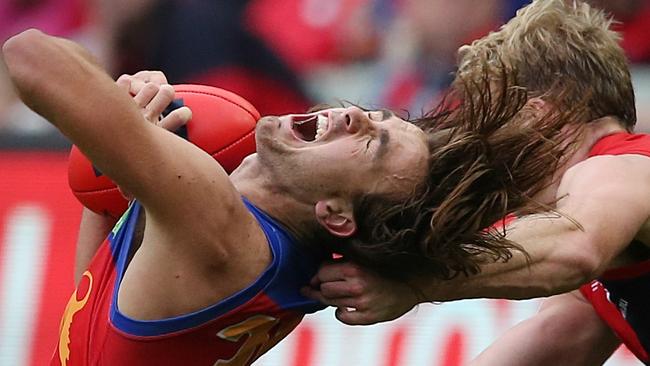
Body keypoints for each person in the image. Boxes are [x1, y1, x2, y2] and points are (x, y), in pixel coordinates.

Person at [0, 29, 434, 364]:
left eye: (374, 143)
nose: (357, 113)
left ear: (336, 215)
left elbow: (28, 56)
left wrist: (114, 96)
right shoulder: (292, 268)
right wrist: (120, 161)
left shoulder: (214, 214)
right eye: (379, 115)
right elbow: (91, 324)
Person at [303, 1, 650, 365]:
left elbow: (575, 247)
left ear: (536, 113)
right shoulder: (597, 287)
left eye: (492, 120)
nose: (483, 147)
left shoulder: (625, 164)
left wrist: (416, 283)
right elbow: (552, 343)